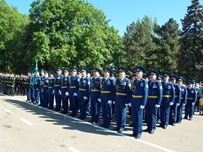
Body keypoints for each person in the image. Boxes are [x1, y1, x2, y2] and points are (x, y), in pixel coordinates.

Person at [130, 65, 148, 139]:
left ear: (142, 74)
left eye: (138, 72)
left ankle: (139, 132)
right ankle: (134, 131)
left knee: (139, 118)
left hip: (139, 102)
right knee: (134, 118)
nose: (136, 74)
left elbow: (145, 93)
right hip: (134, 101)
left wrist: (143, 103)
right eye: (136, 72)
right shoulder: (134, 81)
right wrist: (130, 101)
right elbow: (132, 92)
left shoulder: (144, 82)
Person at [114, 66, 131, 133]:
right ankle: (118, 126)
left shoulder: (127, 81)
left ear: (125, 73)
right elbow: (115, 90)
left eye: (121, 72)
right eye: (119, 72)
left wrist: (127, 101)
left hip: (124, 100)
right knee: (117, 113)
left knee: (123, 114)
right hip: (117, 99)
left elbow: (129, 92)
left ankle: (122, 126)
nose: (120, 73)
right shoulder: (117, 80)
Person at [145, 69, 162, 134]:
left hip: (154, 101)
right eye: (151, 75)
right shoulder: (148, 83)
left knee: (153, 115)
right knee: (148, 115)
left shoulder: (158, 83)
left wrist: (158, 102)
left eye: (153, 75)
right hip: (148, 101)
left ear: (156, 76)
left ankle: (153, 128)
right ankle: (148, 127)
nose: (151, 76)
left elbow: (160, 93)